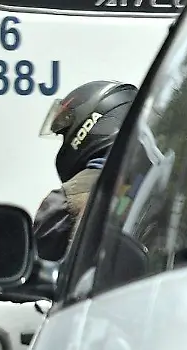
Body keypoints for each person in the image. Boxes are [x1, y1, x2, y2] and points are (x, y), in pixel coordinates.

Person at [33, 80, 137, 261]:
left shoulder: (68, 197)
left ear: (89, 125)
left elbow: (38, 263)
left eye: (64, 134)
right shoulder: (171, 183)